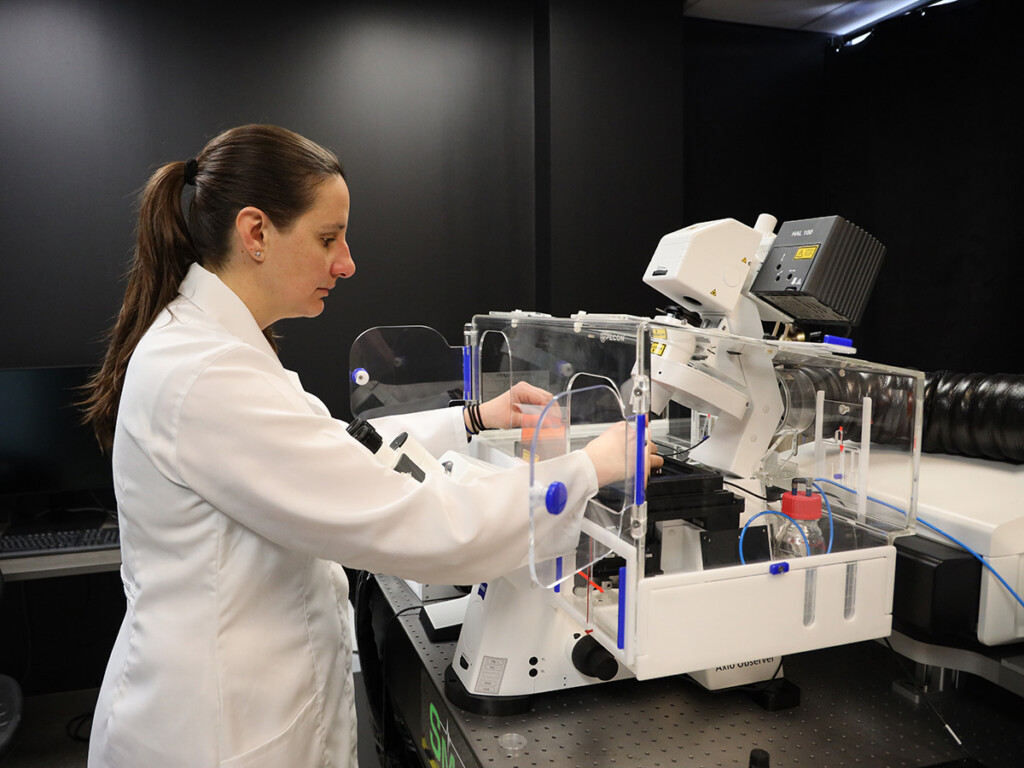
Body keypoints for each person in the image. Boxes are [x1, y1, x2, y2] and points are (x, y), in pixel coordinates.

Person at [81, 124, 659, 768]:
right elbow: (417, 523)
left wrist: (471, 419)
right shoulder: (209, 376)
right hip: (218, 733)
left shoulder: (208, 346)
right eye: (329, 237)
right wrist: (588, 467)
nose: (347, 261)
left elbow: (334, 448)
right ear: (255, 233)